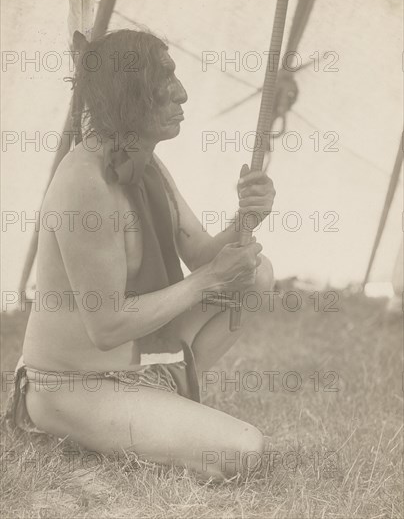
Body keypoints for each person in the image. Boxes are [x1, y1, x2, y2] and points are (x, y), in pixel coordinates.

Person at [6, 29, 276, 481]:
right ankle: (92, 425)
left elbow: (203, 253)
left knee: (256, 274)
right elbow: (107, 326)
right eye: (164, 78)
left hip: (139, 370)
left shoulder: (144, 161)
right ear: (128, 93)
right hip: (71, 386)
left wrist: (247, 216)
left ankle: (162, 409)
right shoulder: (85, 184)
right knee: (242, 452)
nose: (182, 93)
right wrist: (209, 279)